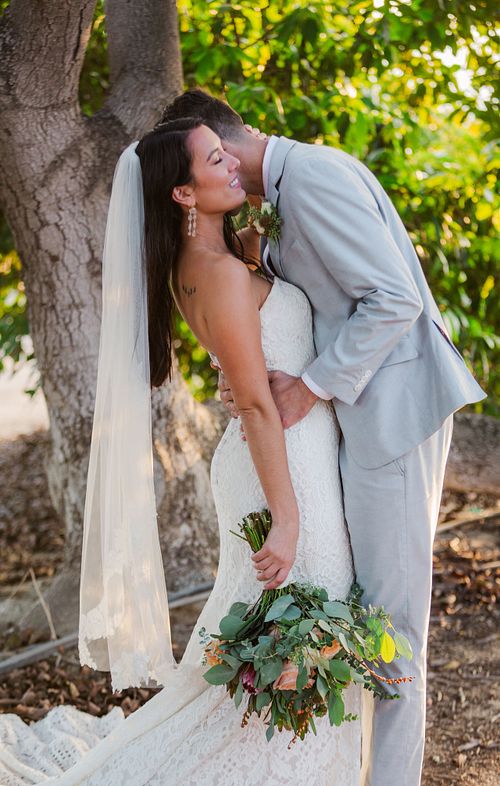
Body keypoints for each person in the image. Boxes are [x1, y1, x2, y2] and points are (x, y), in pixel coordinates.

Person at [0, 118, 361, 785]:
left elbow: (254, 359)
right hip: (279, 472)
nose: (234, 168)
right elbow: (254, 403)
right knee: (292, 650)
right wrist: (286, 520)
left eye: (228, 155)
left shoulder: (224, 260)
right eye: (216, 161)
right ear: (182, 195)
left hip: (288, 455)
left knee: (289, 655)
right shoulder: (214, 273)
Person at [160, 90, 487, 786]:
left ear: (230, 143)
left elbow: (393, 297)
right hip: (347, 426)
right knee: (363, 616)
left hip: (392, 415)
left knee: (394, 631)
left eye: (220, 158)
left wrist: (306, 386)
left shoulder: (309, 179)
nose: (222, 172)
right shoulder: (274, 196)